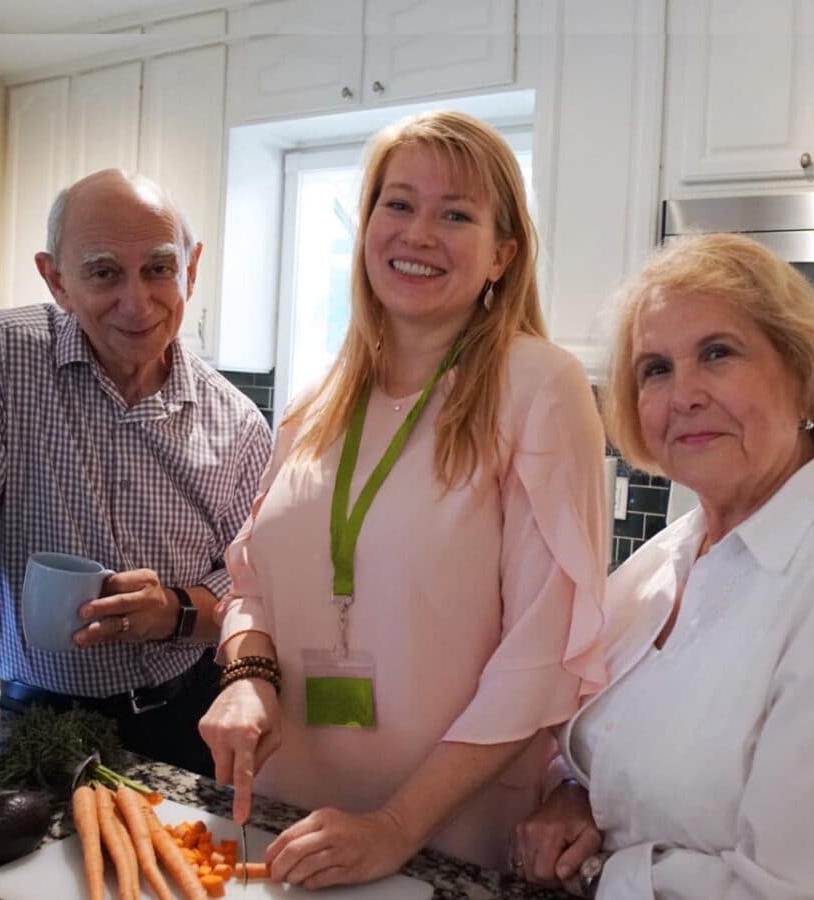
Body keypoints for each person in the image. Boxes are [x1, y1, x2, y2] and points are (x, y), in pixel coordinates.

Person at [198, 110, 609, 887]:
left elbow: (541, 654)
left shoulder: (539, 386)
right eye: (399, 204)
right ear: (365, 228)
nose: (419, 233)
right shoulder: (318, 397)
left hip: (443, 836)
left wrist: (394, 827)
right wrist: (247, 677)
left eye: (456, 213)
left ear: (502, 255)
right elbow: (251, 586)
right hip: (287, 817)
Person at [0, 169, 271, 811]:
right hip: (37, 718)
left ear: (192, 270)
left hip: (181, 721)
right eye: (102, 272)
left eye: (158, 269)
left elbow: (253, 591)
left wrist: (171, 610)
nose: (138, 302)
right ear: (56, 279)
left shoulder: (238, 424)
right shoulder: (1, 358)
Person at [511, 232, 814, 898]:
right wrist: (574, 794)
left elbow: (797, 890)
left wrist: (601, 872)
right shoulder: (670, 555)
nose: (683, 395)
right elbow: (600, 743)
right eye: (655, 368)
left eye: (718, 353)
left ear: (801, 373)